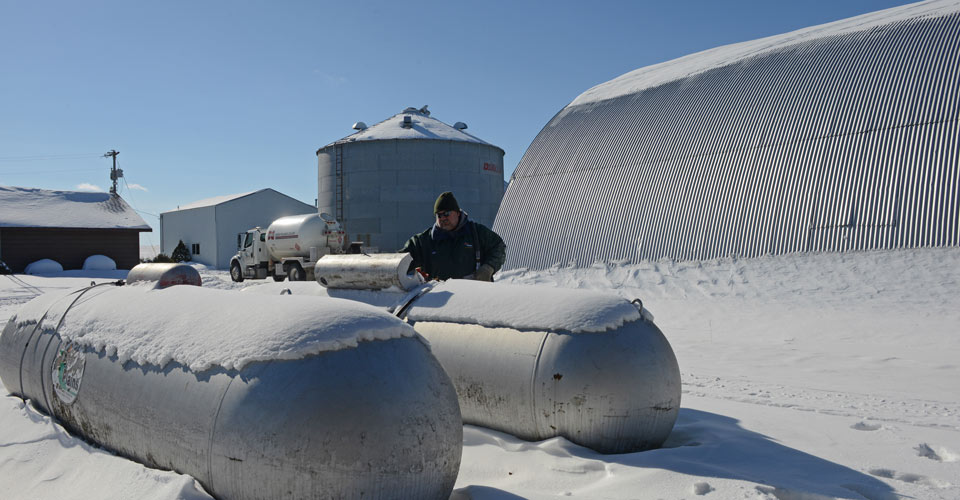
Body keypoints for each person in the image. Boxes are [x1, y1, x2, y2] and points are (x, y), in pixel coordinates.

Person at [401, 191, 506, 281]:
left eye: (446, 213)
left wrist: (489, 267)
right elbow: (401, 259)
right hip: (440, 299)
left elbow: (499, 247)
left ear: (458, 213)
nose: (443, 218)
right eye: (439, 215)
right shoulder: (425, 241)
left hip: (474, 296)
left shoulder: (476, 233)